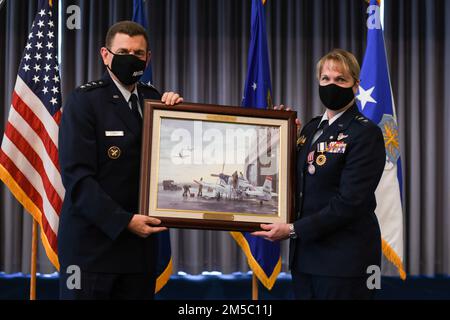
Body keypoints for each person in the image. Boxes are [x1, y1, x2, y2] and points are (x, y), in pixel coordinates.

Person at [58, 21, 183, 300]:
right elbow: (78, 179)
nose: (131, 58)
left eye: (138, 54)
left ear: (148, 58)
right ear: (105, 55)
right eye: (123, 51)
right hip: (91, 250)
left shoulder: (156, 101)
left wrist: (178, 119)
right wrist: (124, 221)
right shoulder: (84, 101)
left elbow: (173, 163)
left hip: (139, 253)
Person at [252, 49, 386, 300]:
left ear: (356, 86)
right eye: (325, 79)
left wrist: (292, 229)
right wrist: (279, 134)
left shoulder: (365, 133)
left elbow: (350, 203)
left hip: (345, 262)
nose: (331, 85)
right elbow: (293, 181)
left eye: (340, 79)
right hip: (306, 258)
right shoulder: (312, 127)